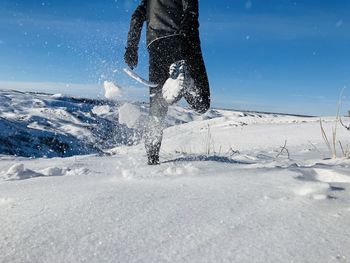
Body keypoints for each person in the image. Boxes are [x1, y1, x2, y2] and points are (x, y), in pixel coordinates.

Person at [124, 0, 210, 165]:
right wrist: (185, 34)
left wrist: (131, 47)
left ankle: (152, 160)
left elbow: (136, 16)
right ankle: (186, 83)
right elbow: (190, 8)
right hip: (183, 39)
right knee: (202, 104)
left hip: (156, 46)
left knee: (157, 111)